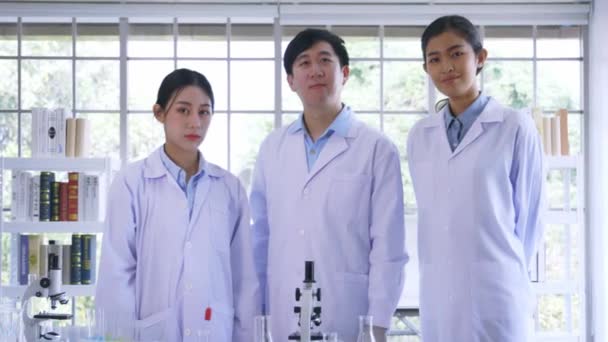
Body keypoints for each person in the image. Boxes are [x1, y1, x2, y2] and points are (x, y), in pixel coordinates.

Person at [250, 28, 408, 341]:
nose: (315, 70)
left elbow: (388, 248)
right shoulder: (273, 148)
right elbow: (260, 239)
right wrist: (257, 318)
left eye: (325, 60)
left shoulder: (376, 148)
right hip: (282, 313)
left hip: (349, 311)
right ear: (291, 80)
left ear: (344, 73)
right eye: (304, 63)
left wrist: (376, 328)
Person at [95, 68, 260, 341]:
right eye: (183, 110)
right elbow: (117, 275)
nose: (195, 122)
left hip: (215, 331)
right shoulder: (132, 182)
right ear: (159, 113)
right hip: (152, 332)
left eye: (204, 112)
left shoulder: (229, 188)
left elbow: (244, 279)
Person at [407, 15, 544, 341]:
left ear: (480, 58)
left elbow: (530, 220)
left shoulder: (514, 126)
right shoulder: (420, 135)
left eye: (456, 54)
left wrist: (501, 270)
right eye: (434, 59)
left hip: (497, 295)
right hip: (439, 297)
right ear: (426, 68)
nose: (446, 67)